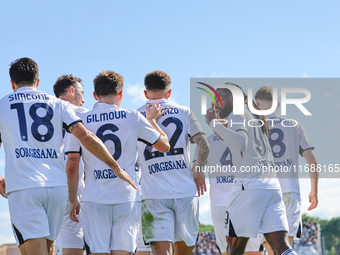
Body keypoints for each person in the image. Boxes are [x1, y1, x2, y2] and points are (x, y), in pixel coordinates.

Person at [0, 57, 136, 255]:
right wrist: (115, 167)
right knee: (48, 249)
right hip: (57, 189)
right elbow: (86, 137)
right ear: (37, 81)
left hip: (25, 186)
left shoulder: (3, 105)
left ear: (12, 83)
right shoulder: (59, 105)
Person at [65, 70, 170, 255]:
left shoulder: (80, 122)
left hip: (94, 199)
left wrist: (73, 200)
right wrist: (152, 120)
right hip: (126, 197)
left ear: (94, 95)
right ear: (120, 94)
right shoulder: (133, 117)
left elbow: (72, 167)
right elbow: (164, 146)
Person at [205, 83, 296, 255]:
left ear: (233, 99)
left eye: (219, 99)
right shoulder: (254, 115)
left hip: (248, 187)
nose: (216, 104)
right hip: (271, 187)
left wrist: (212, 123)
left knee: (234, 248)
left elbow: (240, 142)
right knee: (282, 247)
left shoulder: (237, 113)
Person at [137, 71, 210, 255]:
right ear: (168, 93)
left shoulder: (135, 115)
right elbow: (205, 146)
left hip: (154, 194)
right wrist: (198, 171)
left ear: (145, 93)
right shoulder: (185, 111)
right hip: (185, 192)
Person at [255, 86, 318, 254]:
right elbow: (312, 161)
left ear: (256, 104)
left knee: (270, 247)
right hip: (289, 190)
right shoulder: (294, 125)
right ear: (277, 104)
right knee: (286, 246)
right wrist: (314, 191)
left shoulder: (252, 127)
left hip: (264, 191)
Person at [192, 133, 264, 255]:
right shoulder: (248, 137)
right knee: (254, 251)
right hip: (247, 200)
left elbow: (195, 171)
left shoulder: (205, 141)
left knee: (227, 251)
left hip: (220, 204)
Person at [53, 74, 88, 255]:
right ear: (72, 91)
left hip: (46, 185)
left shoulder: (46, 113)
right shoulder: (84, 115)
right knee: (73, 248)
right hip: (73, 188)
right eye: (82, 93)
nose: (84, 99)